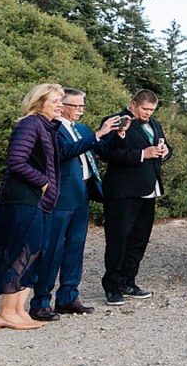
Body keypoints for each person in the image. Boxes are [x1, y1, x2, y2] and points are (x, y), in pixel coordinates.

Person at [30, 89, 122, 320]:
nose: (81, 109)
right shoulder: (53, 128)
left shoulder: (81, 129)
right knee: (52, 249)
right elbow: (63, 153)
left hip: (82, 193)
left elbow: (100, 149)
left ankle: (68, 297)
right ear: (63, 106)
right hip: (61, 196)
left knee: (75, 247)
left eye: (83, 105)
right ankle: (41, 301)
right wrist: (97, 134)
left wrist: (116, 134)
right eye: (76, 105)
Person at [0, 83, 63, 330]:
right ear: (39, 102)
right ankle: (6, 312)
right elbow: (16, 161)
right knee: (21, 252)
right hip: (24, 200)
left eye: (60, 100)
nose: (60, 105)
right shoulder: (30, 124)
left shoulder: (47, 127)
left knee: (34, 252)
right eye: (55, 101)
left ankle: (19, 310)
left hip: (38, 201)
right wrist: (43, 182)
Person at [96, 89, 170, 306]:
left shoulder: (155, 124)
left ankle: (129, 281)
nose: (148, 113)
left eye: (152, 110)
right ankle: (112, 287)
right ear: (133, 104)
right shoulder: (115, 121)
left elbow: (164, 145)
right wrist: (142, 154)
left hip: (149, 189)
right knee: (118, 239)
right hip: (123, 191)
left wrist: (165, 151)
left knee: (139, 239)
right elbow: (106, 153)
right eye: (145, 109)